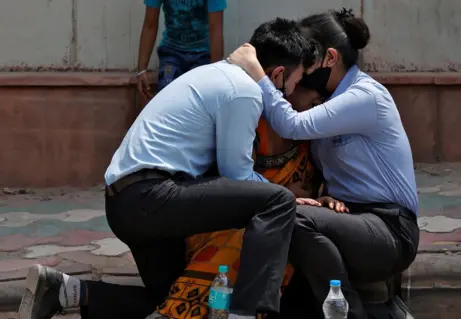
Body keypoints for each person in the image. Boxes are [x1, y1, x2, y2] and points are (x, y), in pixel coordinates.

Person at [17, 18, 317, 319]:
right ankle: (246, 313)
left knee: (180, 302)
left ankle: (66, 290)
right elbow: (236, 174)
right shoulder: (243, 91)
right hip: (152, 196)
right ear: (277, 74)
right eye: (293, 83)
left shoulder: (213, 74)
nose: (290, 92)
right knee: (278, 201)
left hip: (125, 202)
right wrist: (284, 191)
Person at [227, 8, 420, 319]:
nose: (300, 66)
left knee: (291, 215)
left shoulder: (364, 96)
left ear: (330, 58)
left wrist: (257, 73)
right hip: (350, 220)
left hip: (390, 229)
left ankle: (349, 313)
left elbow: (291, 125)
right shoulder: (327, 100)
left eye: (307, 58)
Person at [147, 86, 346, 319]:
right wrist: (281, 193)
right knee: (248, 238)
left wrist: (321, 200)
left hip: (278, 221)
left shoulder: (313, 139)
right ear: (286, 93)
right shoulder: (252, 124)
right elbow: (231, 184)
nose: (319, 102)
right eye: (311, 91)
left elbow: (310, 190)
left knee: (285, 230)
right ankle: (179, 312)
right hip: (226, 219)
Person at [136, 0, 227, 101]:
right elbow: (150, 25)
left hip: (202, 54)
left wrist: (214, 71)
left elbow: (216, 30)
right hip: (171, 53)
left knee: (199, 96)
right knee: (166, 91)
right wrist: (141, 70)